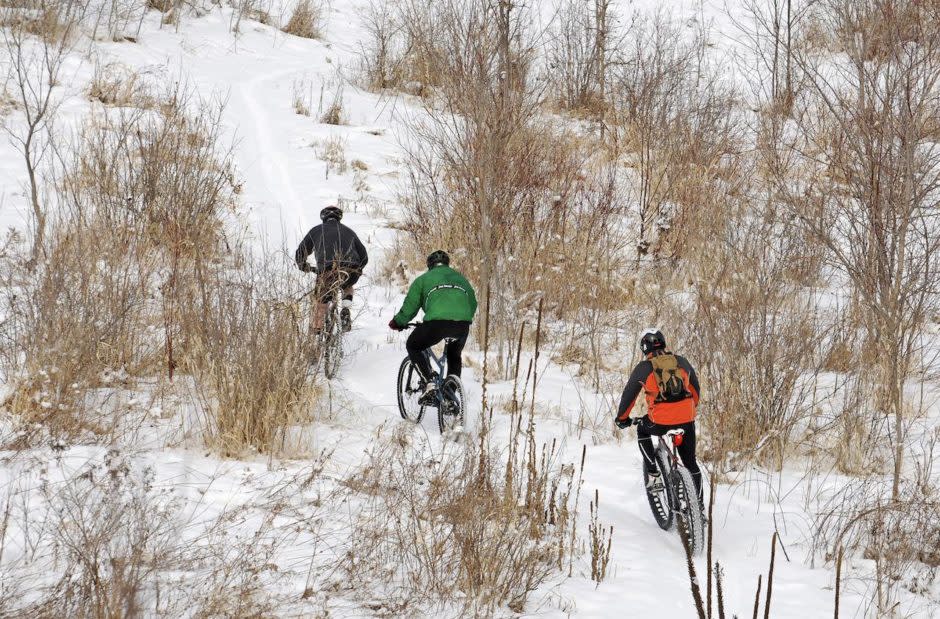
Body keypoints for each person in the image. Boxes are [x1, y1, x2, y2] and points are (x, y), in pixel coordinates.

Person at [614, 329, 703, 507]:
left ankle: (654, 474)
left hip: (660, 422)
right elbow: (695, 391)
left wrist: (622, 418)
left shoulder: (644, 368)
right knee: (691, 463)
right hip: (687, 419)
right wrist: (686, 410)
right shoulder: (681, 362)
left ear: (644, 348)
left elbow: (629, 395)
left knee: (642, 429)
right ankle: (698, 508)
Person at [388, 250, 477, 404]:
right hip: (462, 325)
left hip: (437, 324)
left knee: (414, 345)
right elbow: (473, 304)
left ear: (430, 265)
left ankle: (430, 382)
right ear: (447, 264)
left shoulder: (423, 280)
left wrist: (398, 322)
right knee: (454, 356)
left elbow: (410, 307)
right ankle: (450, 398)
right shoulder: (461, 279)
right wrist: (461, 317)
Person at [295, 206, 368, 332]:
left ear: (323, 218)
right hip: (351, 267)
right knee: (347, 284)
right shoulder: (350, 231)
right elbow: (364, 256)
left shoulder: (317, 230)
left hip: (328, 269)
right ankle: (345, 308)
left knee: (321, 300)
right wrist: (358, 269)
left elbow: (301, 252)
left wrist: (304, 266)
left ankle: (316, 329)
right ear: (339, 218)